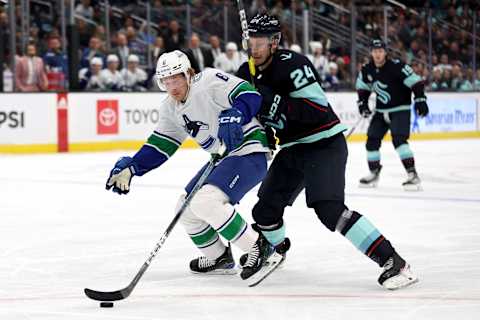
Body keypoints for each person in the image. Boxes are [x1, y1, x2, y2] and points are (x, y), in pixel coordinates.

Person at [236, 13, 418, 290]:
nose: (255, 48)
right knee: (264, 211)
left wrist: (273, 102)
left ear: (274, 42)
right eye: (251, 42)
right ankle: (274, 250)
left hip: (324, 143)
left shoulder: (293, 64)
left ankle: (394, 262)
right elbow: (254, 118)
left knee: (329, 210)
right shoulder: (245, 74)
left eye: (261, 42)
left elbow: (317, 111)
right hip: (293, 147)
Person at [105, 50, 282, 283]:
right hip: (224, 158)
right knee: (185, 208)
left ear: (189, 73)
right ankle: (219, 257)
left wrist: (236, 113)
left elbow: (249, 94)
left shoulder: (208, 81)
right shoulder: (170, 108)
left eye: (176, 78)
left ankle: (259, 249)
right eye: (166, 81)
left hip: (249, 149)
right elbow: (162, 144)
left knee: (205, 201)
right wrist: (133, 167)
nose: (172, 86)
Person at [356, 39, 429, 190]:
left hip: (400, 110)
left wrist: (420, 100)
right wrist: (362, 103)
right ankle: (374, 173)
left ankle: (412, 175)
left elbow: (416, 83)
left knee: (399, 141)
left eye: (380, 51)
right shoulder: (367, 69)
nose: (377, 54)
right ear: (371, 52)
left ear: (385, 52)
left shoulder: (398, 67)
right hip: (381, 111)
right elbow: (362, 88)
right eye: (375, 51)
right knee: (371, 141)